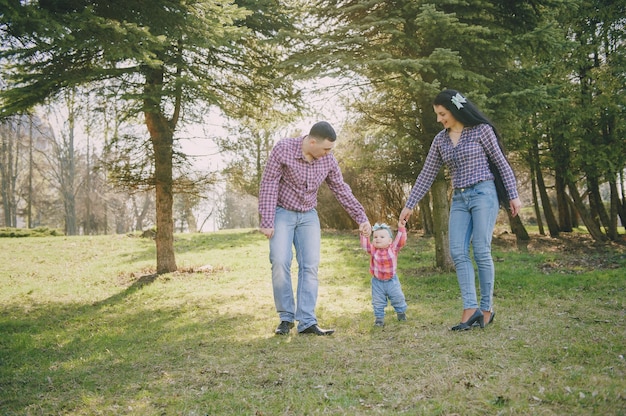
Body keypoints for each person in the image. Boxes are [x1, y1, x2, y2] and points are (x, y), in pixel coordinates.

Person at [399, 89, 522, 331]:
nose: (439, 119)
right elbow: (427, 173)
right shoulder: (440, 140)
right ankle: (470, 307)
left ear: (455, 110)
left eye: (442, 113)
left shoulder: (481, 131)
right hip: (460, 198)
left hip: (484, 194)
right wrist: (409, 204)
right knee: (457, 251)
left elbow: (501, 162)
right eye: (437, 114)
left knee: (481, 250)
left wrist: (513, 195)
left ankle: (486, 309)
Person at [259, 121, 372, 336]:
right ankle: (285, 318)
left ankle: (307, 322)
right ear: (312, 142)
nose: (329, 153)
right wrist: (267, 220)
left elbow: (341, 188)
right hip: (282, 212)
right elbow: (269, 183)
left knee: (310, 267)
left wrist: (361, 217)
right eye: (326, 148)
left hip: (308, 215)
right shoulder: (283, 149)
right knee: (280, 261)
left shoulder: (327, 159)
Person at [360, 220, 409, 327]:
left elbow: (401, 241)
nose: (378, 239)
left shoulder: (393, 248)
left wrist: (401, 228)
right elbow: (365, 245)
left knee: (397, 297)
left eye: (382, 237)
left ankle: (401, 313)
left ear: (390, 241)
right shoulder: (373, 250)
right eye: (375, 237)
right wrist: (364, 234)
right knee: (377, 301)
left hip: (392, 281)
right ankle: (379, 318)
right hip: (377, 282)